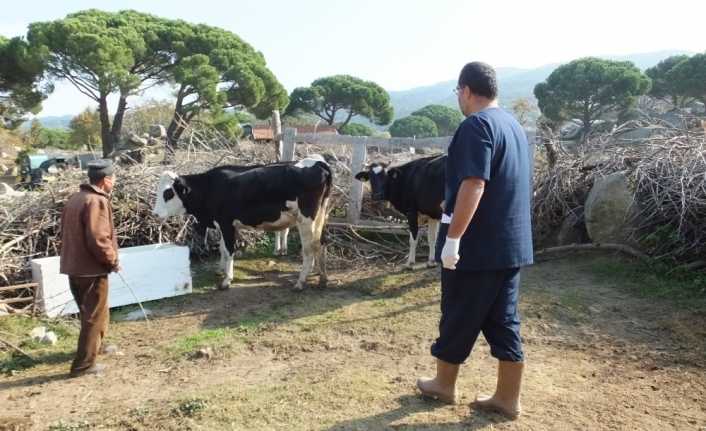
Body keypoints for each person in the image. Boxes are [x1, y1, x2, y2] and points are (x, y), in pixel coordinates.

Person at [416, 62, 533, 419]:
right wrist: (448, 203)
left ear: (466, 90)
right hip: (510, 244)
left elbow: (475, 183)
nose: (458, 99)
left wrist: (453, 238)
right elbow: (498, 183)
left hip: (475, 245)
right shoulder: (512, 125)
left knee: (457, 314)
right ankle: (507, 399)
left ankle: (443, 384)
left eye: (458, 93)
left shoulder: (475, 125)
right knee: (504, 320)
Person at [59, 159, 119, 377]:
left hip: (74, 266)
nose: (115, 182)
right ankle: (83, 366)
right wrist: (112, 260)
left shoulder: (76, 198)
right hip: (91, 269)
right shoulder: (97, 201)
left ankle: (97, 347)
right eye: (113, 179)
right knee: (93, 315)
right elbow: (98, 238)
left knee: (97, 311)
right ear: (105, 180)